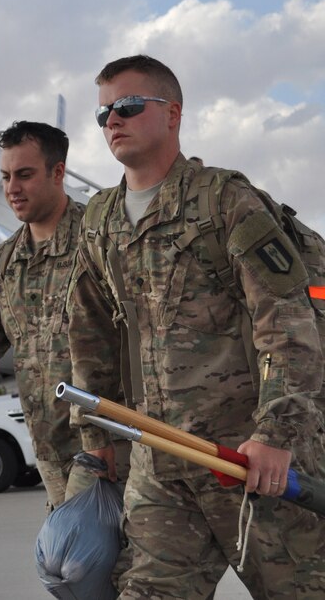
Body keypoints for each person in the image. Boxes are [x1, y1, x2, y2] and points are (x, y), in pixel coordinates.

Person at [69, 54, 325, 598]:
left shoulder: (225, 202)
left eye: (129, 106)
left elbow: (286, 321)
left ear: (173, 113)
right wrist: (100, 439)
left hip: (248, 460)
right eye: (104, 114)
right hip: (159, 461)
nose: (113, 120)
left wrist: (276, 436)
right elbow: (90, 335)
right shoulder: (98, 221)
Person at [0, 121, 128, 510]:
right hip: (48, 452)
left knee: (96, 560)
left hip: (111, 444)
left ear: (58, 172)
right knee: (73, 563)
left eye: (24, 175)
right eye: (6, 176)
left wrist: (102, 439)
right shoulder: (4, 263)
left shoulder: (100, 241)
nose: (12, 188)